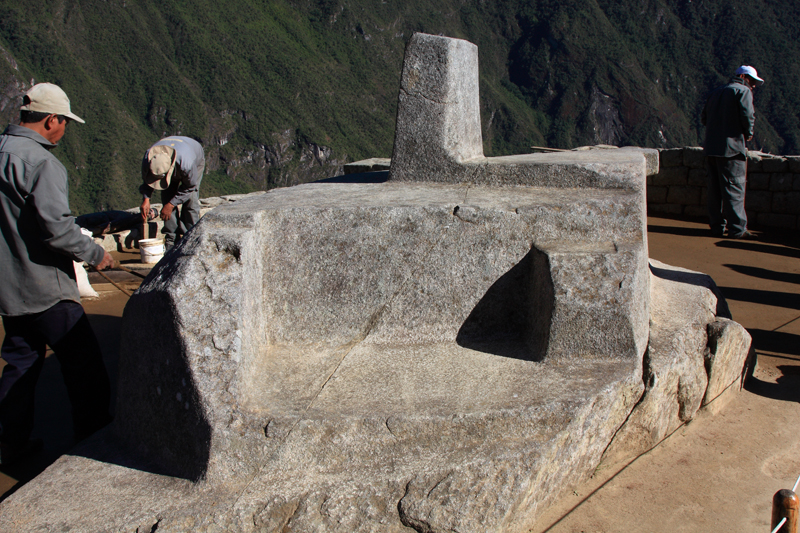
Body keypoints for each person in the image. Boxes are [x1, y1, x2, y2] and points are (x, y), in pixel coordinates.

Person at [0, 83, 115, 463]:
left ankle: (11, 447)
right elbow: (57, 229)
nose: (65, 130)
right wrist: (96, 254)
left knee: (20, 365)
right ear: (52, 120)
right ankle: (94, 440)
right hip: (45, 288)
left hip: (7, 288)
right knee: (85, 368)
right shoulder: (43, 164)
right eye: (64, 122)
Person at [701, 65, 764, 239]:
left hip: (711, 148)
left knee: (715, 191)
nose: (752, 86)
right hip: (731, 149)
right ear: (743, 76)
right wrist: (748, 133)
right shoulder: (742, 91)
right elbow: (747, 115)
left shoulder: (716, 92)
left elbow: (703, 118)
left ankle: (716, 227)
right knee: (734, 188)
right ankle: (737, 230)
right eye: (752, 81)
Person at [139, 136, 205, 251]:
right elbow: (147, 181)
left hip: (194, 157)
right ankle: (171, 239)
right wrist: (146, 199)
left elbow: (190, 187)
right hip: (175, 160)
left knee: (190, 202)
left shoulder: (187, 164)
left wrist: (171, 205)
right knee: (167, 198)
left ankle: (189, 237)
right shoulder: (149, 160)